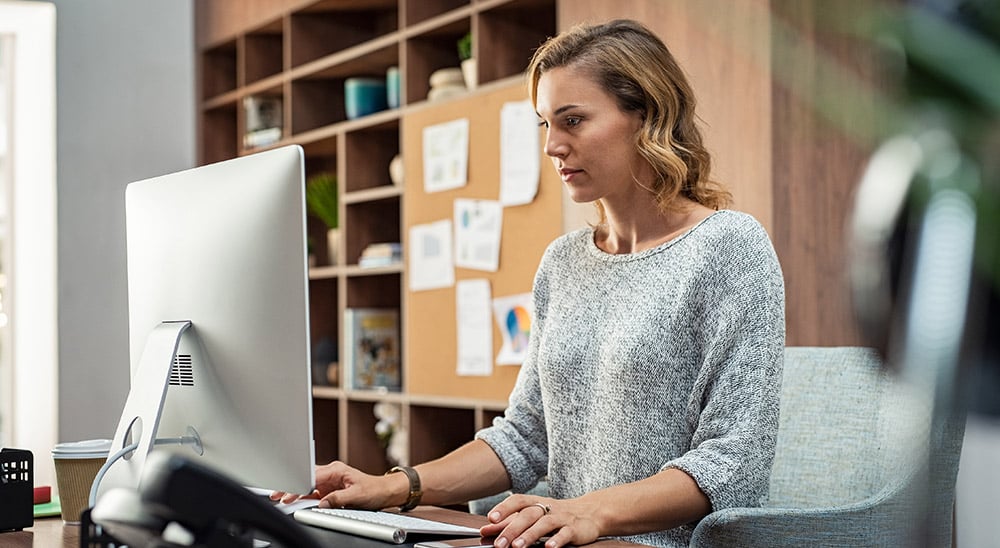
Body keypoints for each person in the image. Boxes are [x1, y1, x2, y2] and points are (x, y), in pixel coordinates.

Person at [275, 19, 785, 548]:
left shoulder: (730, 246)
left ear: (646, 116)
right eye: (545, 124)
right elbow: (523, 439)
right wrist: (394, 487)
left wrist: (591, 513)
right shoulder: (563, 263)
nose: (552, 146)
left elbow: (733, 462)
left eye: (573, 120)